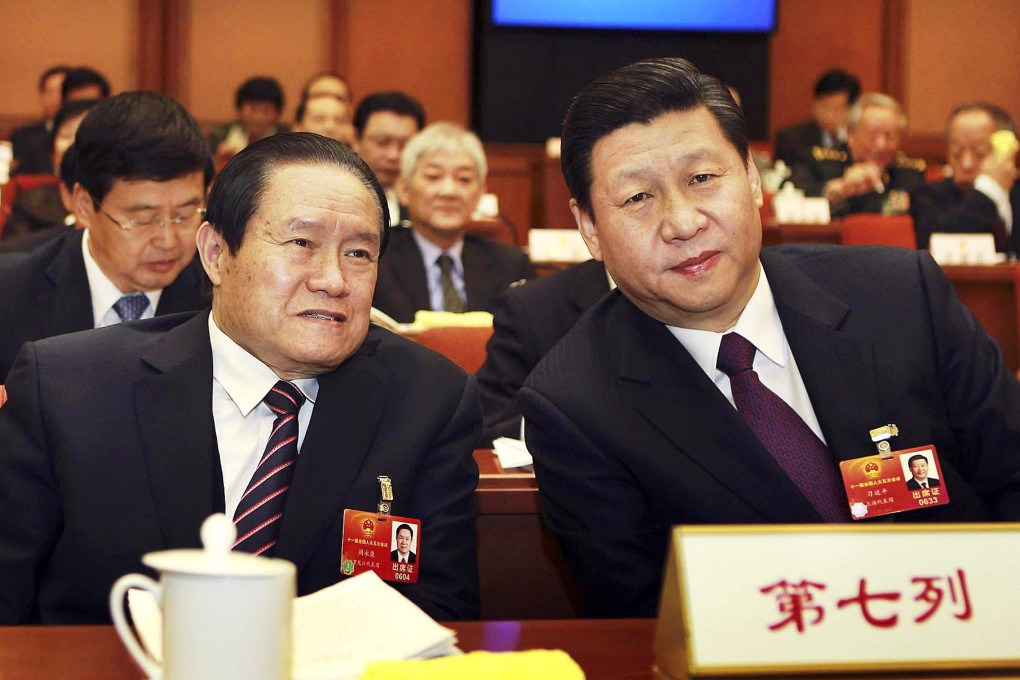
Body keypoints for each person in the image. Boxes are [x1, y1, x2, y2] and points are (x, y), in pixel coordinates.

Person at [518, 57, 1020, 618]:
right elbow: (644, 618)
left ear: (754, 180)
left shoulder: (902, 296)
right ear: (589, 228)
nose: (683, 222)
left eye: (702, 179)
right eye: (638, 198)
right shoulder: (574, 405)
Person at [0, 132, 482, 624]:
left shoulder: (427, 400)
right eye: (301, 243)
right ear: (215, 253)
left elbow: (441, 614)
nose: (334, 280)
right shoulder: (68, 390)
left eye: (358, 253)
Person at [0, 92, 214, 381]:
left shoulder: (220, 299)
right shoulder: (10, 293)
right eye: (143, 219)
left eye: (185, 215)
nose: (168, 241)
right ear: (85, 206)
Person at [372, 122, 534, 323]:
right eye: (433, 177)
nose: (449, 191)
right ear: (404, 189)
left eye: (464, 179)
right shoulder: (376, 259)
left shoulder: (511, 265)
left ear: (480, 193)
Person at [477, 259, 610, 444]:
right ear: (591, 232)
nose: (666, 232)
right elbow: (489, 422)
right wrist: (554, 421)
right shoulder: (531, 307)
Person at [789, 92, 925, 216]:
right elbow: (789, 197)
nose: (881, 144)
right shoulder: (821, 162)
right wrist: (841, 188)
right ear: (851, 134)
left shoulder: (909, 171)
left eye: (890, 136)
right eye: (872, 135)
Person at [910, 103, 1019, 251]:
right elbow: (942, 245)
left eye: (980, 153)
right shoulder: (928, 196)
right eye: (957, 152)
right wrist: (987, 191)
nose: (966, 164)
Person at [2, 99, 99, 245]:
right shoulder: (29, 201)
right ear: (52, 151)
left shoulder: (118, 201)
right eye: (67, 135)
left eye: (85, 136)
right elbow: (11, 254)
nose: (75, 144)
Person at [353, 91, 425, 226]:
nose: (393, 155)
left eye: (405, 145)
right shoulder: (335, 198)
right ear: (356, 140)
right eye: (382, 142)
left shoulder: (426, 208)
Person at [773, 69, 860, 168]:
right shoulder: (791, 139)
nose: (827, 115)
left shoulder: (858, 140)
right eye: (823, 106)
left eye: (835, 108)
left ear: (852, 109)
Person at [207, 77, 288, 169]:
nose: (259, 117)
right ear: (239, 108)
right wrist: (217, 161)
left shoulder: (287, 139)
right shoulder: (219, 135)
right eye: (253, 108)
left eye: (266, 110)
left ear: (278, 113)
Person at [9, 65, 68, 175]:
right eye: (51, 92)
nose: (57, 97)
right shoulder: (23, 136)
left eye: (62, 91)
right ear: (42, 96)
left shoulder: (86, 132)